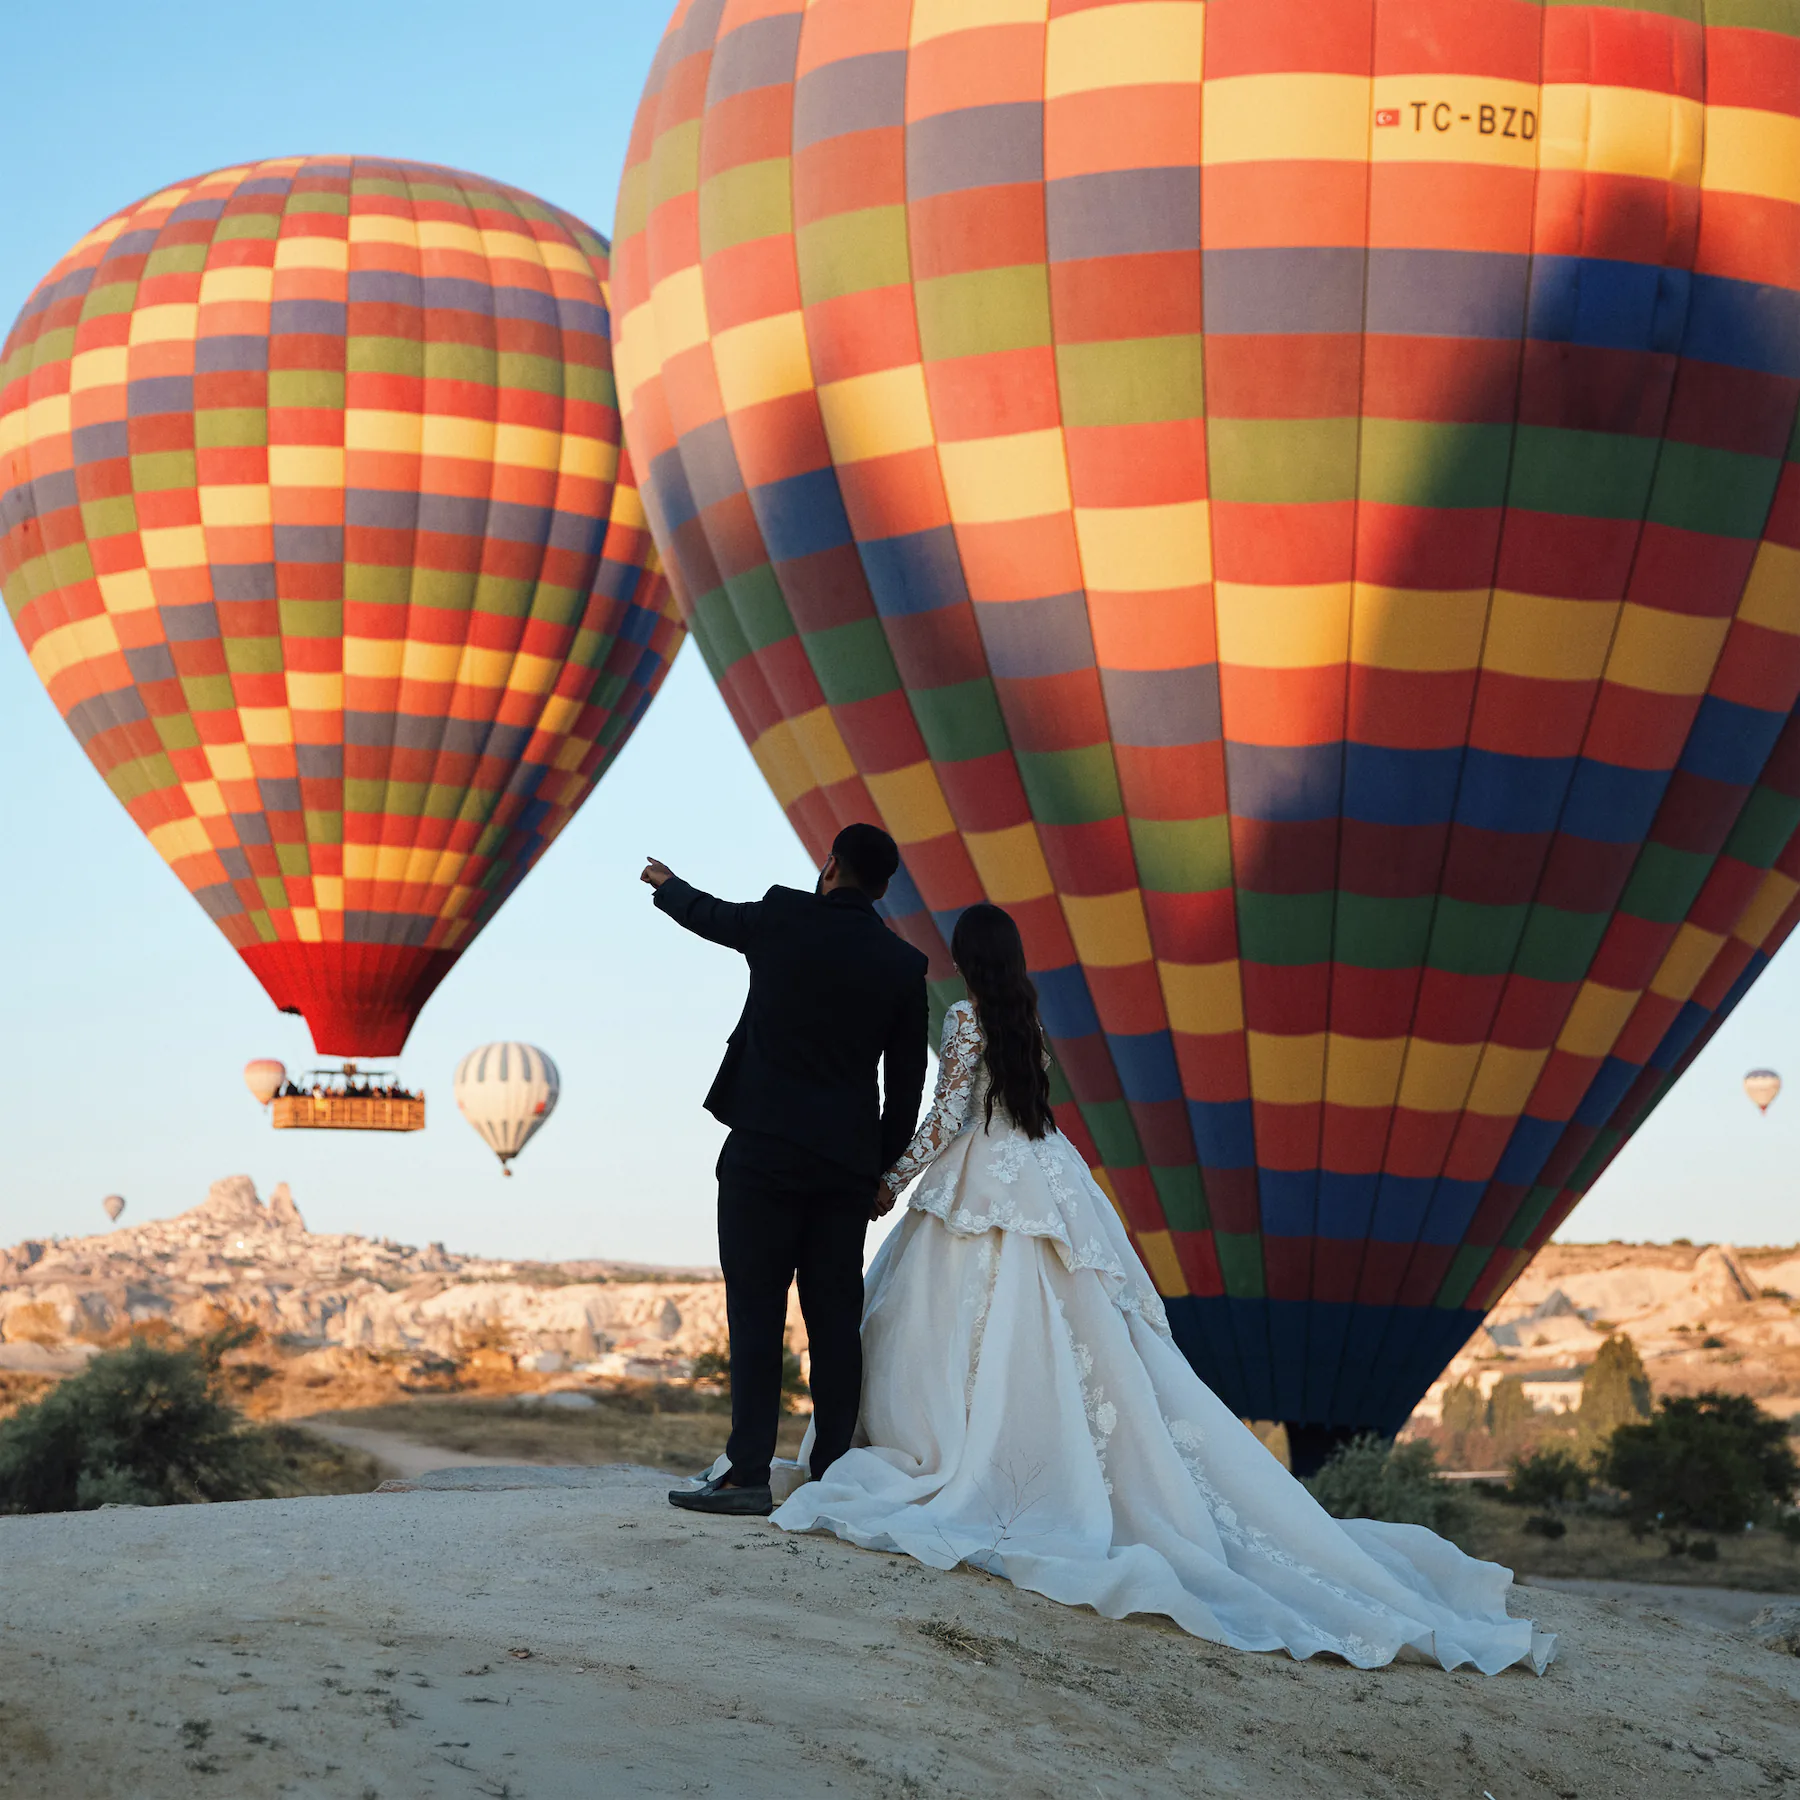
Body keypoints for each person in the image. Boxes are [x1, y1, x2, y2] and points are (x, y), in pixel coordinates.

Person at [771, 902, 1556, 1674]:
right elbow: (1021, 1114)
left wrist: (890, 1179)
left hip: (985, 1186)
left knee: (938, 1326)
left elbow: (946, 1120)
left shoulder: (966, 1020)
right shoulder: (1026, 1020)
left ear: (966, 957)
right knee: (1065, 1333)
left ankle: (945, 1452)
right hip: (1044, 1178)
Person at [643, 823, 928, 1517]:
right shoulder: (902, 965)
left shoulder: (782, 916)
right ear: (884, 887)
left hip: (763, 1153)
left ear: (830, 866)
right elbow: (907, 1088)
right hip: (843, 1167)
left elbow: (711, 917)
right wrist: (879, 1172)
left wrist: (667, 885)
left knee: (756, 1312)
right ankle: (831, 1477)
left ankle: (747, 1475)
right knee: (834, 1320)